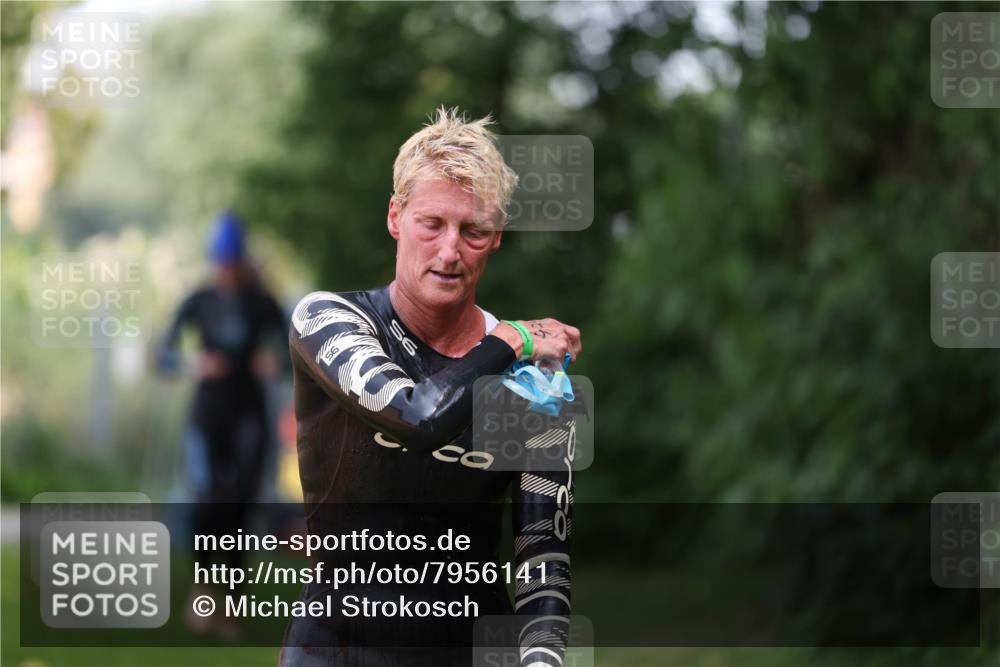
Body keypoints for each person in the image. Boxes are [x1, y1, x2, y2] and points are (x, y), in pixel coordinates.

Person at [280, 108, 582, 667]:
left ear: (496, 240)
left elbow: (544, 563)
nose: (450, 252)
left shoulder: (535, 381)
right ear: (396, 217)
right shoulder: (329, 321)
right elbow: (419, 417)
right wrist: (511, 339)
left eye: (473, 231)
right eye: (432, 224)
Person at [157, 211, 288, 637]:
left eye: (232, 264)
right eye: (220, 263)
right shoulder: (199, 301)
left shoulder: (261, 302)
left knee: (239, 508)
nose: (226, 272)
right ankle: (204, 589)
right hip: (207, 417)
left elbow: (296, 353)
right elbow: (161, 356)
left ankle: (232, 603)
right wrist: (193, 363)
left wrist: (275, 362)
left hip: (249, 416)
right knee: (204, 504)